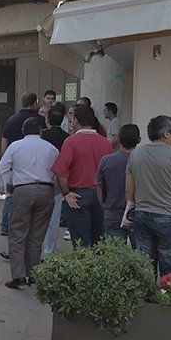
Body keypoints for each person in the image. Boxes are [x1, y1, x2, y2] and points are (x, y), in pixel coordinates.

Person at [126, 115, 171, 275]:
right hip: (169, 217)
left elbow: (129, 190)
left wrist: (132, 206)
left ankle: (146, 297)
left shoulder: (136, 154)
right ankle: (170, 297)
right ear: (166, 133)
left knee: (145, 265)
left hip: (142, 215)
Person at [0, 117, 58, 289]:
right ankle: (34, 273)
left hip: (22, 189)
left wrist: (5, 189)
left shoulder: (15, 146)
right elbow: (57, 172)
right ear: (40, 131)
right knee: (37, 235)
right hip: (46, 190)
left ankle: (18, 275)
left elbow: (2, 169)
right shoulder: (51, 149)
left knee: (17, 234)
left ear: (23, 131)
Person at [51, 105, 113, 247]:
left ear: (76, 121)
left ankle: (84, 267)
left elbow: (60, 172)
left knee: (80, 242)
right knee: (99, 240)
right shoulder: (105, 143)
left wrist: (66, 193)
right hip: (100, 195)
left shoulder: (71, 142)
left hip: (78, 195)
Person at [0, 92, 45, 236]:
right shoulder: (40, 120)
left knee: (10, 194)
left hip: (15, 161)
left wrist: (6, 160)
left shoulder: (12, 120)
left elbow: (4, 141)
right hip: (36, 163)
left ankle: (5, 225)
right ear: (35, 103)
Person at [96, 124, 140, 246]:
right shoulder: (142, 161)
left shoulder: (107, 160)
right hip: (137, 211)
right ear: (139, 140)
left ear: (119, 140)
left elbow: (99, 187)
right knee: (142, 254)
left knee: (115, 254)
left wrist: (103, 205)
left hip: (112, 210)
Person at [41, 103, 70, 256]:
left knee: (39, 218)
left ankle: (37, 249)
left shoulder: (42, 135)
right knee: (54, 218)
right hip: (59, 181)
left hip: (42, 178)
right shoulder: (67, 138)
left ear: (48, 119)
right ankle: (49, 250)